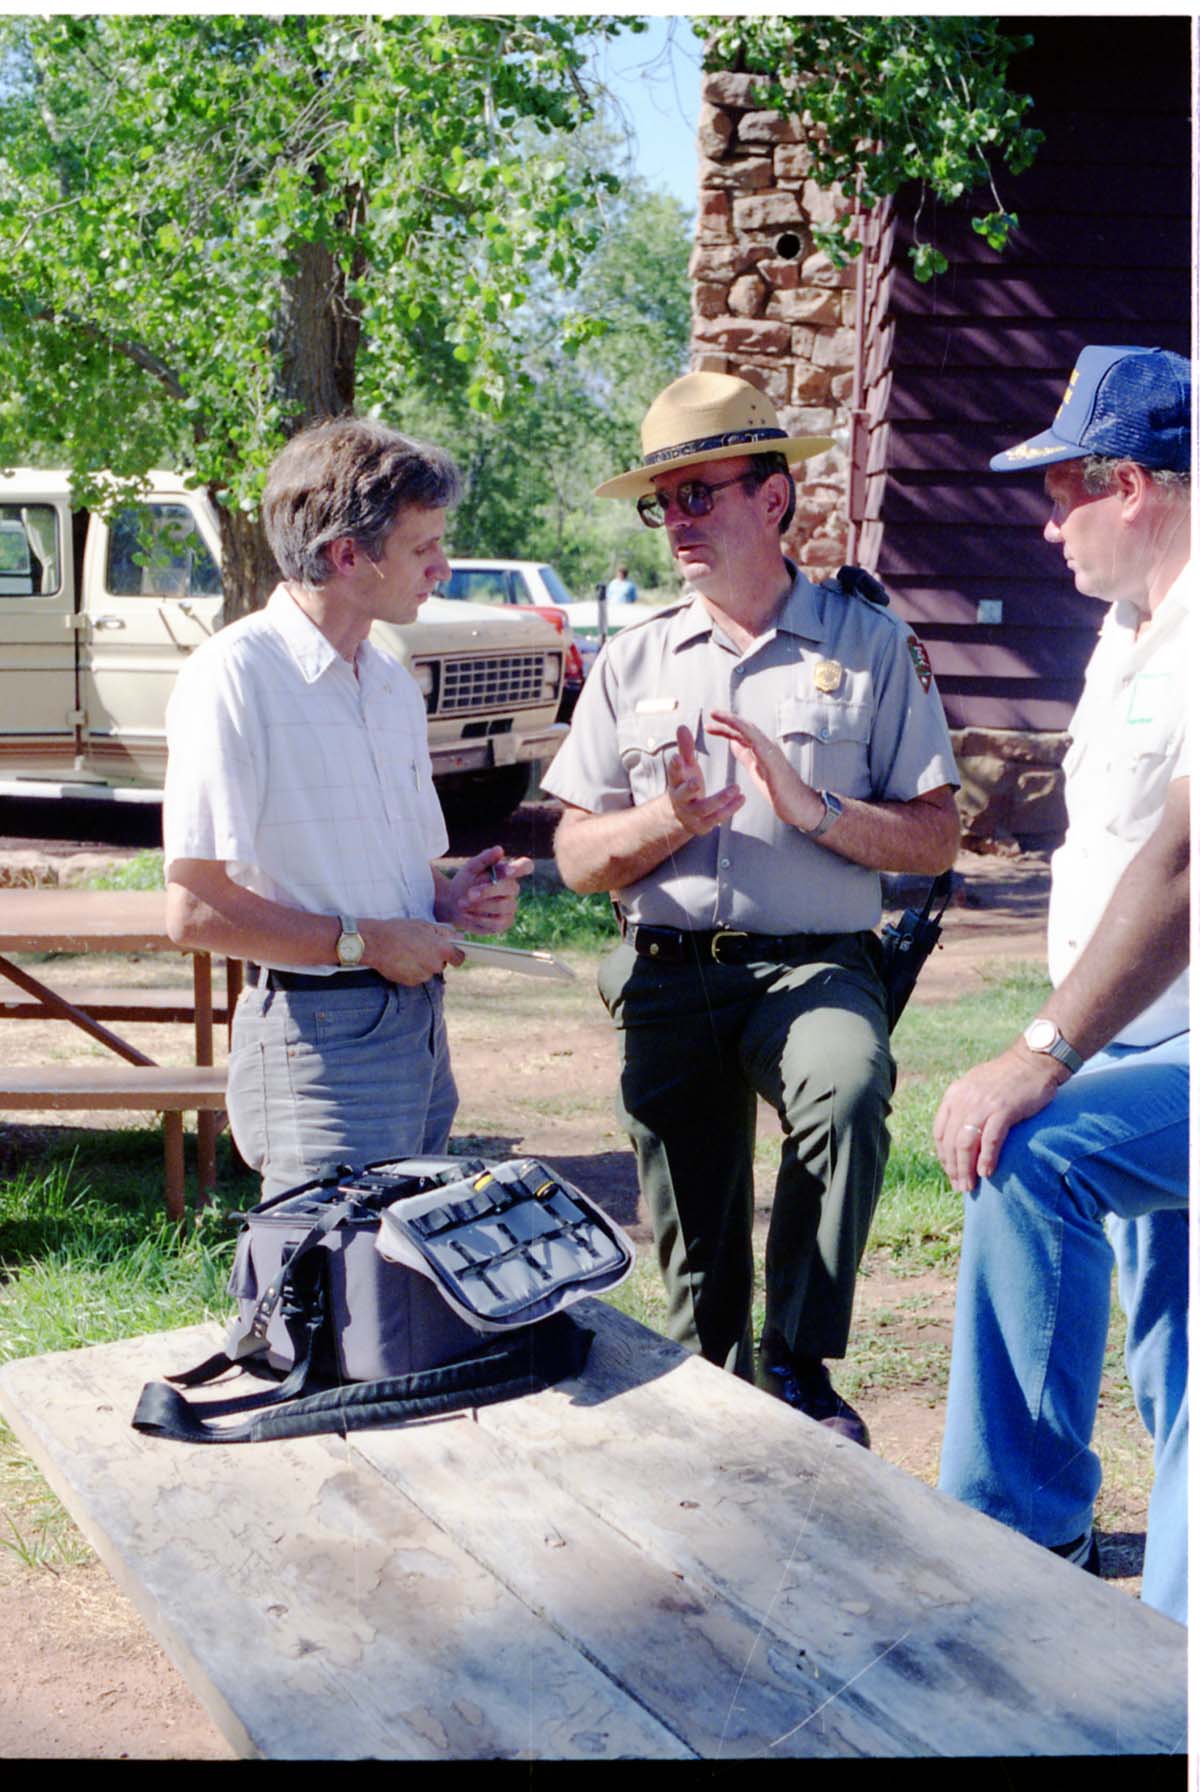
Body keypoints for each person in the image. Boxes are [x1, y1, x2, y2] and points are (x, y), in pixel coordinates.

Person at [543, 371, 960, 1445]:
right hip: (670, 969)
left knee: (846, 1084)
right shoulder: (633, 659)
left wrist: (809, 805)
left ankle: (802, 1364)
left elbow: (933, 836)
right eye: (662, 501)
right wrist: (668, 820)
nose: (677, 521)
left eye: (699, 494)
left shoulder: (867, 645)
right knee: (692, 1243)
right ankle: (717, 1382)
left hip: (814, 965)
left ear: (772, 498)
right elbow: (577, 856)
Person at [934, 345, 1190, 1625]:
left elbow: (1185, 866)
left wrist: (1041, 1050)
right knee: (1181, 1363)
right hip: (1144, 1045)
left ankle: (1006, 1553)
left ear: (1132, 482)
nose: (1045, 523)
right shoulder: (1130, 628)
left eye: (1062, 492)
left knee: (1033, 1158)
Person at [163, 417, 532, 1199]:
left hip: (417, 1027)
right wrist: (364, 944)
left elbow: (391, 877)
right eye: (423, 546)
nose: (444, 566)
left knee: (391, 1295)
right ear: (346, 555)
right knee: (323, 1292)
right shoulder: (234, 676)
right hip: (318, 1034)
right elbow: (194, 912)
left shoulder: (390, 679)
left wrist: (452, 896)